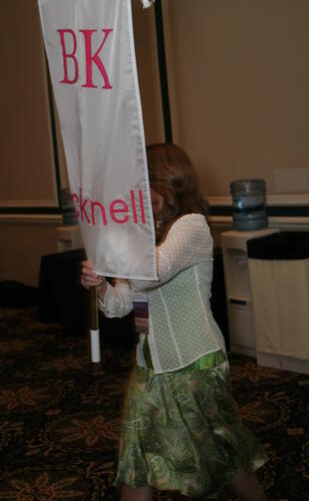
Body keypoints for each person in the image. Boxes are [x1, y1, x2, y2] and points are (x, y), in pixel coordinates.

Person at [81, 143, 268, 501]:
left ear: (170, 183)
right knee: (134, 457)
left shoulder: (192, 226)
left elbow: (154, 271)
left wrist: (113, 253)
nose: (136, 192)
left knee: (218, 458)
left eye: (143, 182)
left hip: (195, 364)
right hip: (150, 367)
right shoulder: (140, 237)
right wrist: (101, 282)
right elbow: (121, 305)